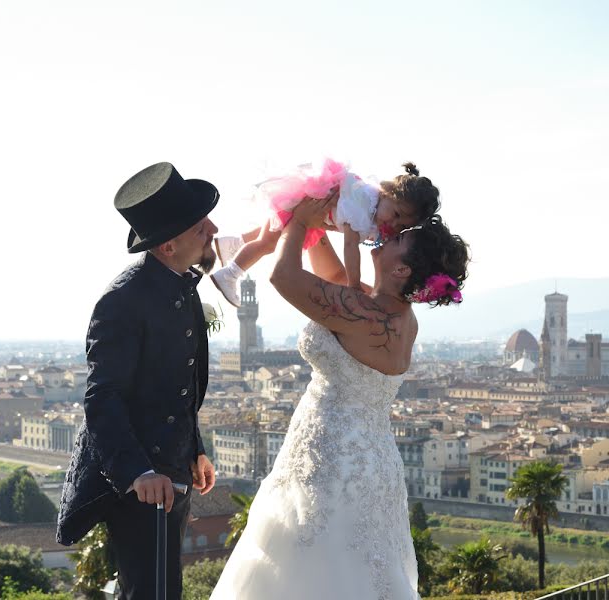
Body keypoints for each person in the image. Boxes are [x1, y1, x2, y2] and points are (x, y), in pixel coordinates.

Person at [209, 194, 469, 600]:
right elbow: (330, 271)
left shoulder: (363, 312)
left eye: (398, 239)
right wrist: (323, 217)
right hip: (371, 461)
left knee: (312, 569)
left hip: (332, 462)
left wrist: (297, 223)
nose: (387, 236)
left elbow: (284, 278)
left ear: (402, 268)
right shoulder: (395, 315)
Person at [56, 162, 218, 600]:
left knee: (164, 591)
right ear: (169, 244)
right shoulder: (122, 301)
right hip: (141, 483)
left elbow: (178, 385)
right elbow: (102, 397)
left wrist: (195, 449)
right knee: (149, 593)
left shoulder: (184, 286)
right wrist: (139, 472)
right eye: (201, 227)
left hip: (174, 472)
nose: (213, 230)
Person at [209, 160, 441, 306]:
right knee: (267, 244)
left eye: (401, 226)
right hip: (305, 201)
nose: (393, 222)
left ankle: (231, 244)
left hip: (309, 200)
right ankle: (229, 274)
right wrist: (354, 284)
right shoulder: (363, 211)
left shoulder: (372, 204)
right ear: (389, 193)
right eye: (396, 213)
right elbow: (350, 248)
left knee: (272, 236)